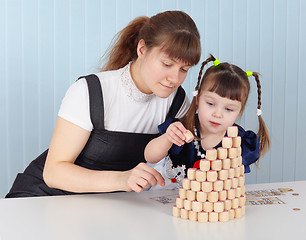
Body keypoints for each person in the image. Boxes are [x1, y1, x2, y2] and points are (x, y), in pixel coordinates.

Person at [5, 10, 201, 198]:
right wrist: (123, 179)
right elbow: (53, 172)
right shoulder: (90, 91)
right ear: (142, 49)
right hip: (43, 198)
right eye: (167, 64)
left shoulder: (176, 101)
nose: (174, 78)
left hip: (104, 206)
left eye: (184, 69)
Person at [145, 54, 270, 183]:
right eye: (210, 104)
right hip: (176, 197)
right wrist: (168, 137)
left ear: (239, 111)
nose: (217, 114)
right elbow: (150, 156)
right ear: (198, 99)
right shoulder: (182, 128)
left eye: (228, 109)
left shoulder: (239, 141)